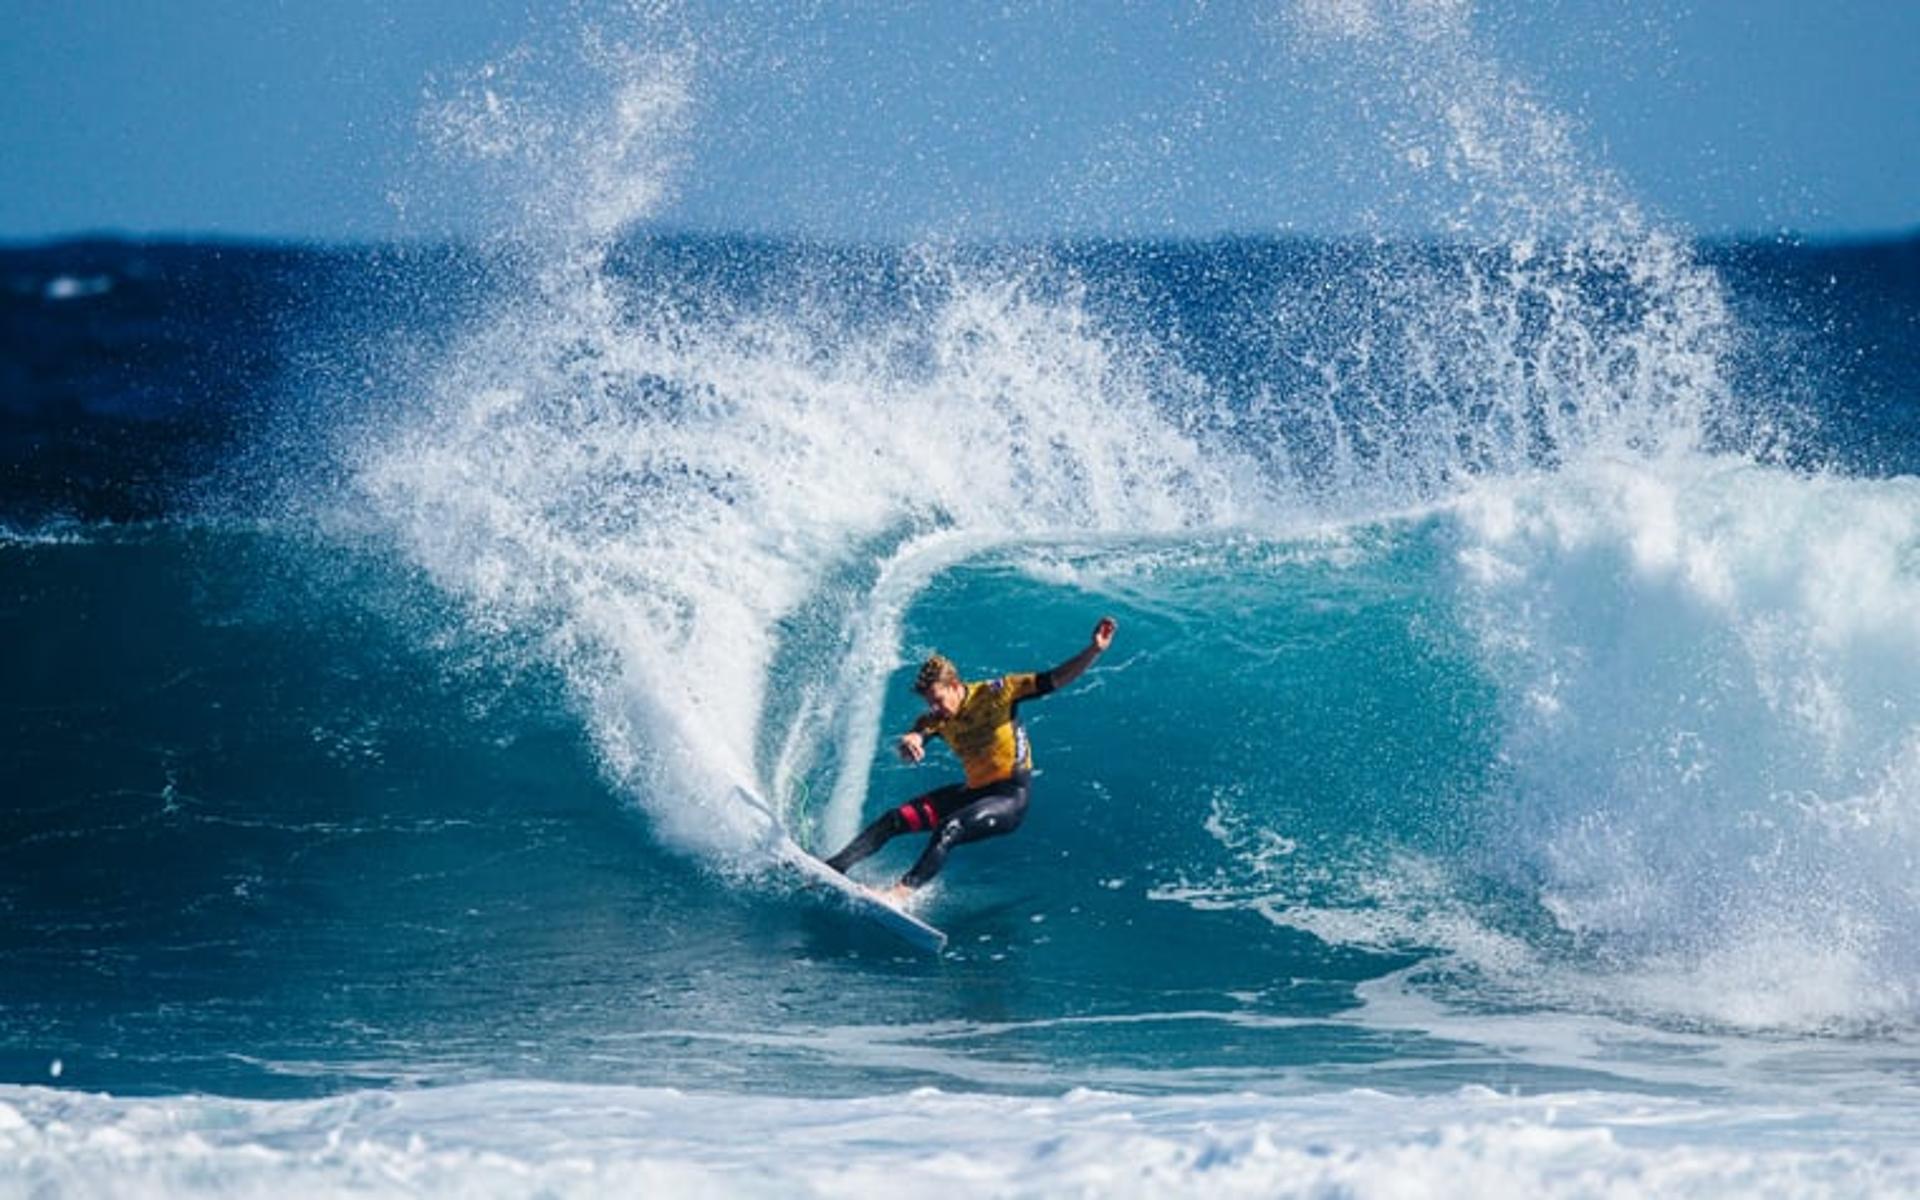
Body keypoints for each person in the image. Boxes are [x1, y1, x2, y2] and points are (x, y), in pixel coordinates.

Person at [826, 616, 1118, 902]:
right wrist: (911, 739)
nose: (935, 708)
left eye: (938, 700)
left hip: (1010, 797)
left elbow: (1055, 679)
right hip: (972, 794)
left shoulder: (998, 693)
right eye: (930, 703)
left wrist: (1093, 650)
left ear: (955, 685)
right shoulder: (936, 718)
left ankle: (899, 895)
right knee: (893, 820)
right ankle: (834, 867)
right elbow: (919, 732)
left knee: (949, 829)